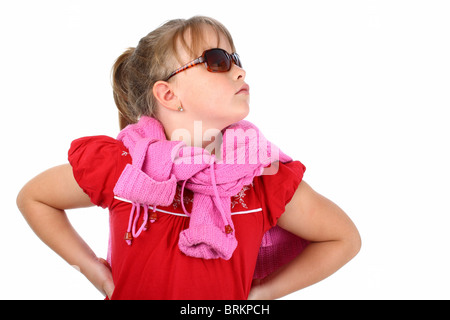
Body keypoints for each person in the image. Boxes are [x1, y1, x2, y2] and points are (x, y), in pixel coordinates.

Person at [16, 16, 361, 300]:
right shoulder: (127, 167)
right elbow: (35, 198)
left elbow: (343, 238)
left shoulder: (261, 175)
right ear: (168, 94)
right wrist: (95, 272)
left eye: (236, 61)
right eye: (217, 61)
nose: (239, 72)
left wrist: (263, 293)